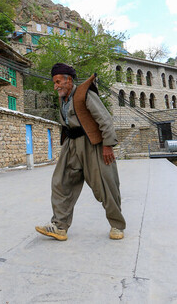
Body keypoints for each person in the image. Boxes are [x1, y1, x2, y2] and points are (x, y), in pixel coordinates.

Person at [35, 63, 126, 241]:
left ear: (69, 80)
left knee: (105, 185)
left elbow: (105, 119)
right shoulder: (63, 98)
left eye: (59, 81)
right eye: (54, 83)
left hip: (92, 144)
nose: (56, 86)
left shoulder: (85, 94)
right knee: (60, 182)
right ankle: (59, 227)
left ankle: (117, 225)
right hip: (71, 144)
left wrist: (107, 145)